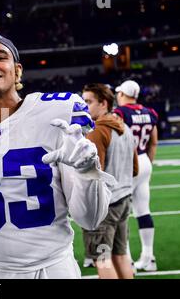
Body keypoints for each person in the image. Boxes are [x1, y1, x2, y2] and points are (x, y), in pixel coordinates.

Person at [0, 31, 114, 279]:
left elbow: (91, 219)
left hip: (53, 268)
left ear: (17, 70)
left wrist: (87, 171)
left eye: (0, 57)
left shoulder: (58, 112)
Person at [81, 83, 138, 279]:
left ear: (103, 103)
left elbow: (94, 173)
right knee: (120, 256)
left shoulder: (98, 131)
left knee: (103, 259)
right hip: (124, 199)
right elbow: (135, 168)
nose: (84, 106)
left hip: (106, 206)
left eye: (88, 102)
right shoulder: (125, 127)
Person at [114, 80, 159, 271]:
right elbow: (154, 142)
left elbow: (115, 141)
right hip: (144, 160)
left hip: (127, 164)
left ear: (123, 94)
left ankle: (128, 262)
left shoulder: (121, 113)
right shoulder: (150, 113)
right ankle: (149, 258)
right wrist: (147, 164)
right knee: (143, 210)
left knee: (121, 214)